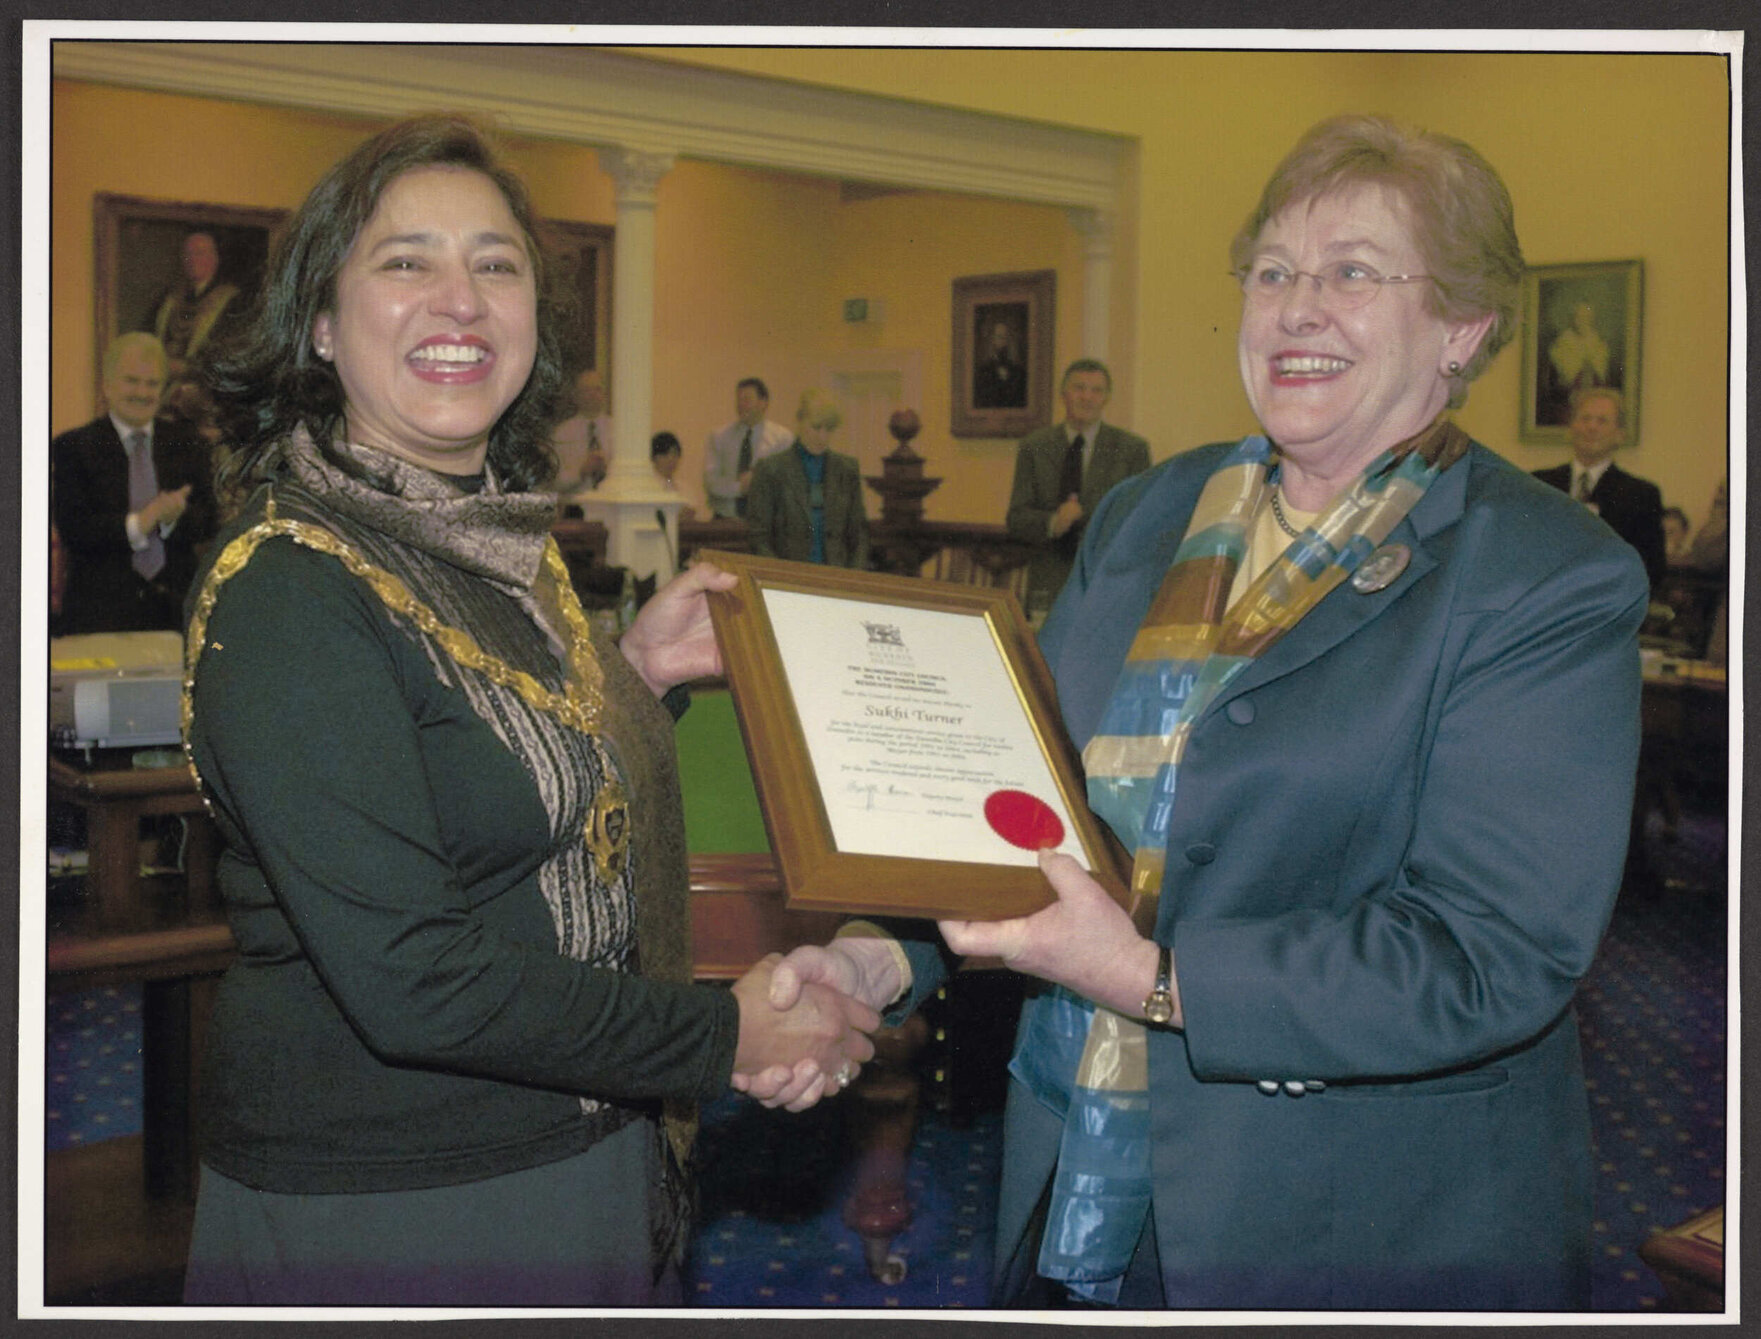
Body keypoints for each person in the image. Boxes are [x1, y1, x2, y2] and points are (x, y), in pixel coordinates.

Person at [769, 113, 1648, 1311]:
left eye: (1351, 272)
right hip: (1069, 1160)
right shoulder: (1150, 511)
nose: (1296, 307)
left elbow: (1489, 950)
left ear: (1463, 326)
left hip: (1349, 1217)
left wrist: (1153, 975)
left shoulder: (1544, 572)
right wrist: (880, 957)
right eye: (1275, 271)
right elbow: (1028, 814)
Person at [179, 114, 878, 1307]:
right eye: (405, 261)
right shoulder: (289, 585)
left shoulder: (506, 545)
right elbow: (413, 976)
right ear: (320, 321)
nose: (460, 299)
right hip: (397, 1200)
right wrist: (724, 1037)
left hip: (579, 1152)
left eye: (495, 264)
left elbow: (492, 769)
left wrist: (635, 678)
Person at [51, 331, 218, 633]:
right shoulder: (73, 448)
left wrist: (170, 519)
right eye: (131, 381)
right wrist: (140, 523)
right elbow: (73, 528)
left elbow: (209, 521)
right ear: (107, 386)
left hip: (176, 615)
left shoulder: (189, 444)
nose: (142, 392)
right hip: (99, 617)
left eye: (152, 383)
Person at [1005, 358, 1150, 611]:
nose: (1087, 397)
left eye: (1096, 391)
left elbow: (1141, 519)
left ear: (1106, 398)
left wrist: (1087, 517)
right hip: (1049, 584)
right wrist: (1052, 522)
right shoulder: (1034, 446)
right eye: (1079, 388)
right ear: (1064, 395)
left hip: (1107, 583)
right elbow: (1016, 518)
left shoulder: (1131, 449)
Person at [1533, 387, 1666, 587]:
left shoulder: (1641, 494)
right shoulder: (1538, 484)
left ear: (1620, 434)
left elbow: (1650, 568)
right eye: (1585, 419)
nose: (1592, 427)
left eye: (1602, 421)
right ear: (1571, 427)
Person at [745, 388, 869, 569]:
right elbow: (758, 535)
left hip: (837, 575)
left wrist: (854, 576)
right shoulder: (772, 470)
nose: (823, 436)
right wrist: (779, 575)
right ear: (800, 421)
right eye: (816, 427)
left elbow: (859, 532)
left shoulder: (847, 469)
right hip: (788, 577)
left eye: (829, 429)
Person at [152, 231, 241, 379]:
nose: (192, 260)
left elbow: (228, 355)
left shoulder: (231, 300)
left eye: (199, 253)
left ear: (214, 259)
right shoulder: (170, 299)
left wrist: (189, 368)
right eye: (188, 254)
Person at [702, 377, 791, 518]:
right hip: (725, 520)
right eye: (738, 399)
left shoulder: (782, 439)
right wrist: (739, 487)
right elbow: (711, 482)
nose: (741, 405)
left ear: (763, 403)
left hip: (766, 522)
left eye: (747, 399)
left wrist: (759, 482)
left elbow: (787, 484)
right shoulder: (719, 437)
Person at [549, 367, 611, 501]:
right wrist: (581, 472)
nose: (592, 395)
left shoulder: (617, 430)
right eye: (586, 390)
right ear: (576, 396)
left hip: (611, 505)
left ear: (604, 394)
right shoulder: (561, 434)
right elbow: (553, 482)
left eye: (597, 389)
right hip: (575, 507)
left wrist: (608, 468)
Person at [973, 316, 1028, 409]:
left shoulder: (1018, 371)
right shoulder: (983, 370)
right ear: (993, 340)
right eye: (999, 337)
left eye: (1005, 337)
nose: (1003, 341)